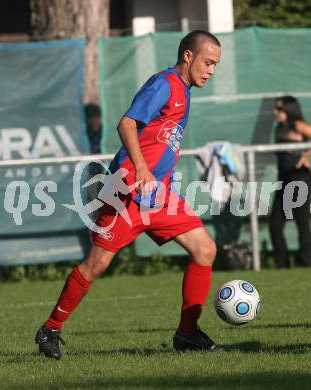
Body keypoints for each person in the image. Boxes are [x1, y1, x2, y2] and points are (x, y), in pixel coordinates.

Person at [35, 30, 222, 359]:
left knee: (205, 249)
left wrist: (155, 175)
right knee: (97, 264)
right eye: (207, 62)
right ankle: (50, 327)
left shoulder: (185, 90)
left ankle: (188, 333)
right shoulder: (164, 84)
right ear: (188, 56)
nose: (211, 70)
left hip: (158, 193)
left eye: (216, 65)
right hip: (127, 191)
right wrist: (143, 168)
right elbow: (126, 124)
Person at [269, 96, 311, 269]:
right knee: (275, 223)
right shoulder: (278, 129)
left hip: (300, 178)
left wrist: (306, 154)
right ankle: (281, 264)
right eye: (275, 108)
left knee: (301, 220)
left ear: (289, 110)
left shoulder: (298, 126)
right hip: (284, 178)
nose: (276, 112)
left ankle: (304, 262)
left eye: (280, 109)